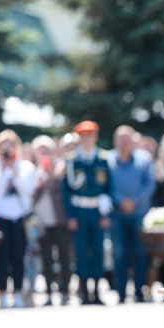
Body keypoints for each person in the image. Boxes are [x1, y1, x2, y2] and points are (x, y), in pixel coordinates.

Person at [0, 130, 37, 308]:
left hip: (18, 216)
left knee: (18, 255)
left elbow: (28, 191)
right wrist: (3, 174)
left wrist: (14, 173)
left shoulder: (25, 167)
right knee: (2, 256)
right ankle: (2, 292)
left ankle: (18, 291)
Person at [62, 120, 113, 305]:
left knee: (98, 250)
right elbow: (65, 192)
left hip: (97, 211)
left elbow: (109, 187)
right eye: (83, 136)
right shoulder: (70, 160)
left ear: (96, 137)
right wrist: (70, 216)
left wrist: (107, 214)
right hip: (79, 211)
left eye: (90, 136)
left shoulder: (104, 158)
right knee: (81, 251)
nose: (87, 140)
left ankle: (97, 292)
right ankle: (84, 292)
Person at [108, 125, 156, 303]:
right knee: (119, 254)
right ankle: (120, 292)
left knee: (139, 253)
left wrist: (134, 200)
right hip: (117, 214)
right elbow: (107, 186)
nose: (124, 143)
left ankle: (139, 292)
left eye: (127, 139)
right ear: (115, 142)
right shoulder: (108, 160)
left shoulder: (144, 159)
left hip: (139, 213)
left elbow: (150, 184)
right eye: (121, 140)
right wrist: (120, 201)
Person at [31, 135, 72, 306]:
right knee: (46, 258)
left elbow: (65, 191)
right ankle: (48, 292)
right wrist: (40, 185)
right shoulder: (32, 171)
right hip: (42, 223)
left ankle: (64, 291)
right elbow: (31, 198)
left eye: (46, 151)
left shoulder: (61, 167)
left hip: (60, 221)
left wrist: (53, 177)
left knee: (64, 257)